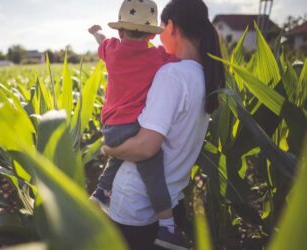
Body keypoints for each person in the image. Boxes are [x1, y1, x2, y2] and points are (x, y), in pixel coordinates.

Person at [102, 0, 225, 249]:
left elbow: (146, 148)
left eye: (160, 28)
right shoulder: (203, 74)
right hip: (170, 201)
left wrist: (107, 149)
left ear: (171, 26)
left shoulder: (172, 76)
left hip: (136, 206)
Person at [87, 0, 180, 242]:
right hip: (135, 127)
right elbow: (180, 61)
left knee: (120, 155)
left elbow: (100, 39)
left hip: (110, 128)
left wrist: (96, 31)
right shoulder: (156, 56)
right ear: (151, 35)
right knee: (153, 172)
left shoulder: (112, 50)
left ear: (120, 31)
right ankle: (167, 227)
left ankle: (100, 192)